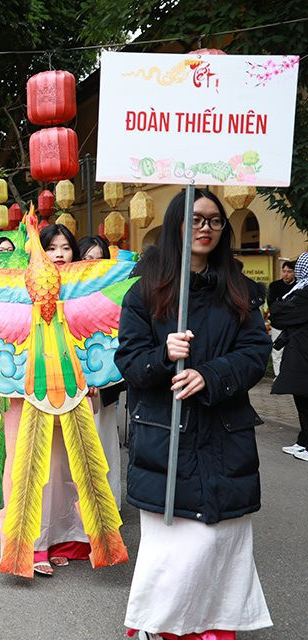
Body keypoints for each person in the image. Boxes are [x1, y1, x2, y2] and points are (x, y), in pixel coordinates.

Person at [116, 188, 272, 639]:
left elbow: (254, 352)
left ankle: (215, 623)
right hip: (166, 437)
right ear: (177, 225)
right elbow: (129, 362)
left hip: (226, 435)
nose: (206, 228)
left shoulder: (240, 290)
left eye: (215, 221)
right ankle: (160, 625)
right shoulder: (145, 294)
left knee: (220, 539)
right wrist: (164, 355)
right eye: (196, 219)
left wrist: (211, 373)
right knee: (176, 546)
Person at [0, 221, 89, 577]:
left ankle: (60, 540)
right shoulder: (18, 291)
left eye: (66, 248)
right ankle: (27, 546)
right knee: (25, 465)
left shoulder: (84, 291)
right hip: (25, 392)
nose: (60, 255)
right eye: (51, 249)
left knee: (64, 467)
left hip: (71, 392)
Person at [78, 235, 123, 508]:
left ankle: (107, 504)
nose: (93, 264)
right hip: (72, 382)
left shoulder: (115, 292)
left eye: (99, 259)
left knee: (104, 440)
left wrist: (103, 376)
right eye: (87, 258)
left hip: (105, 383)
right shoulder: (66, 292)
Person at [270, 253, 308, 461]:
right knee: (301, 398)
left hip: (303, 353)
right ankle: (303, 441)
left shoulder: (304, 293)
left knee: (304, 398)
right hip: (300, 350)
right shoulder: (301, 291)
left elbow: (280, 315)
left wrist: (279, 307)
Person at [267, 260, 297, 375]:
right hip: (278, 325)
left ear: (295, 272)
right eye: (284, 271)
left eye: (289, 271)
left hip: (294, 326)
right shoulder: (275, 286)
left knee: (293, 353)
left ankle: (290, 377)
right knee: (277, 352)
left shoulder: (299, 286)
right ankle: (277, 377)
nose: (286, 274)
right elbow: (272, 306)